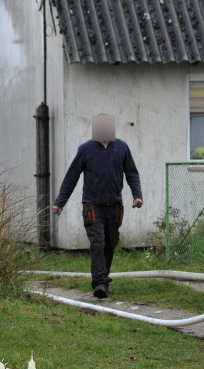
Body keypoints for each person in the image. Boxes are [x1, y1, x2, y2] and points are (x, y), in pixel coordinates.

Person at [52, 114, 143, 298]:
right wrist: (60, 202)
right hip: (92, 205)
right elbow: (72, 177)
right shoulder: (85, 149)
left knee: (110, 243)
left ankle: (104, 278)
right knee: (97, 243)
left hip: (115, 205)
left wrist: (137, 195)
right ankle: (99, 283)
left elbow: (132, 173)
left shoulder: (122, 147)